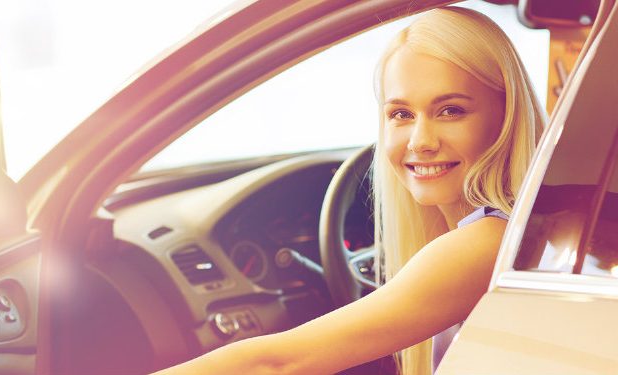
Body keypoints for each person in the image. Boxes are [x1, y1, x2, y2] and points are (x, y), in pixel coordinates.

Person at [153, 6, 543, 375]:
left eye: (451, 110)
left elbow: (275, 365)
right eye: (401, 114)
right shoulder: (513, 230)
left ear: (506, 115)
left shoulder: (487, 242)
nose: (420, 141)